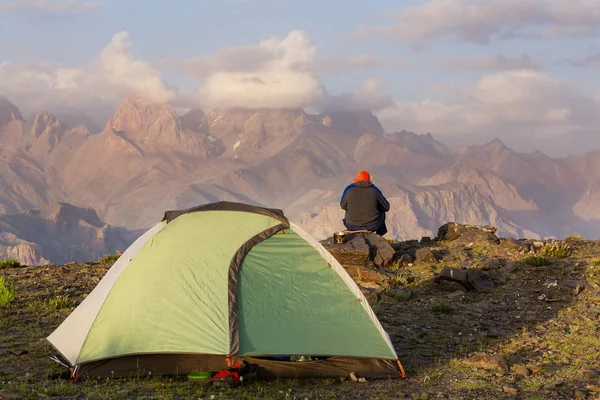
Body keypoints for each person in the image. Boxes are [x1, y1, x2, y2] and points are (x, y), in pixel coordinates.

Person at [340, 170, 390, 236]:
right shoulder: (374, 190)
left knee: (348, 208)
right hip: (371, 226)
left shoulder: (349, 189)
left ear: (357, 180)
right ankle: (379, 236)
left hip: (352, 226)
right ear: (369, 181)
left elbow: (343, 206)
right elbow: (386, 207)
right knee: (382, 211)